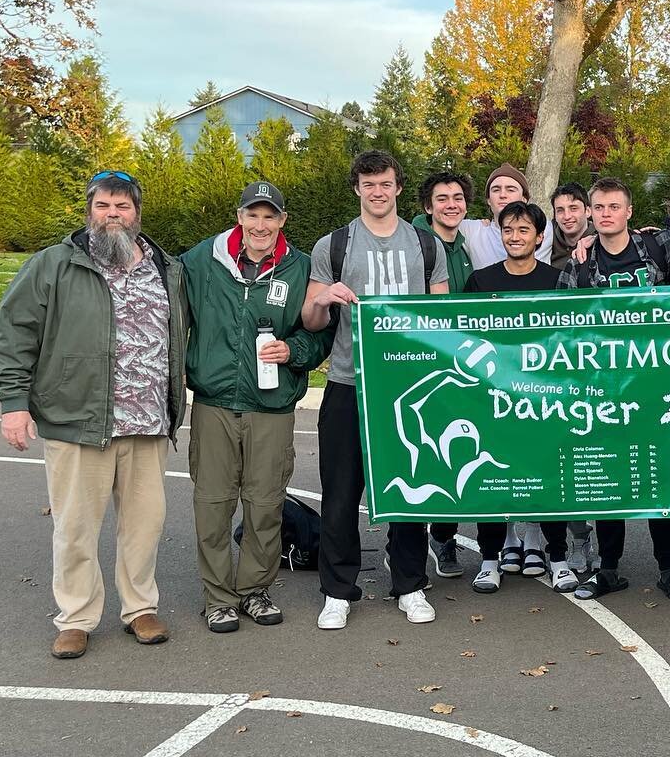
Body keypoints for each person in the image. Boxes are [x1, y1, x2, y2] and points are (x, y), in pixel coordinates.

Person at [0, 172, 187, 658]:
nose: (112, 215)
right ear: (89, 210)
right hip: (78, 420)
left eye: (122, 206)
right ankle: (76, 617)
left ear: (137, 212)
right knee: (76, 526)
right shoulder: (54, 265)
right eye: (103, 205)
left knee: (144, 525)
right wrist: (13, 405)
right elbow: (14, 333)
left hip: (147, 421)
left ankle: (140, 608)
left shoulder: (165, 267)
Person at [302, 150, 449, 631]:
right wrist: (324, 297)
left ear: (399, 188)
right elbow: (311, 318)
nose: (378, 192)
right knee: (341, 491)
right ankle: (338, 590)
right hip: (348, 382)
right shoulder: (335, 245)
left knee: (410, 487)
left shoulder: (426, 245)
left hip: (407, 386)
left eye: (385, 183)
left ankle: (409, 583)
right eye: (369, 185)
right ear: (357, 190)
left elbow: (441, 319)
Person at [182, 181, 332, 633]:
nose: (261, 224)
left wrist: (295, 352)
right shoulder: (201, 262)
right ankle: (218, 597)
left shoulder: (301, 267)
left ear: (282, 220)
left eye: (270, 216)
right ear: (240, 217)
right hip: (214, 403)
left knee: (265, 504)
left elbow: (321, 331)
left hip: (272, 406)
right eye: (253, 215)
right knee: (212, 503)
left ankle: (253, 590)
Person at [558, 178, 670, 602]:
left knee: (658, 478)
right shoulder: (578, 263)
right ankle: (608, 568)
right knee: (609, 480)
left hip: (654, 382)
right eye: (598, 207)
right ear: (590, 212)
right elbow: (559, 323)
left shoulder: (658, 248)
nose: (606, 214)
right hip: (603, 388)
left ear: (629, 211)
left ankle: (668, 568)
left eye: (614, 206)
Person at [464, 201, 581, 594]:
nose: (515, 238)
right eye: (508, 231)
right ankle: (489, 561)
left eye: (523, 231)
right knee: (493, 479)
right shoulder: (480, 281)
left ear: (539, 236)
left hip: (542, 399)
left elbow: (570, 338)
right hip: (493, 398)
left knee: (549, 477)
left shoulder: (556, 279)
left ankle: (559, 559)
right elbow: (462, 337)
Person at [413, 171, 478, 579]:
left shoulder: (465, 245)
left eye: (457, 198)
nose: (451, 204)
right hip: (426, 362)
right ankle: (414, 545)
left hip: (459, 363)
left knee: (456, 451)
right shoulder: (416, 243)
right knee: (426, 453)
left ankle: (443, 535)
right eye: (442, 199)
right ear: (427, 206)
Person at [549, 182, 595, 272]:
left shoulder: (602, 239)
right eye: (560, 210)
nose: (567, 216)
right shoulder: (546, 239)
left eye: (573, 208)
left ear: (588, 211)